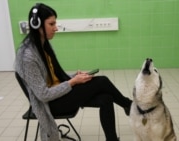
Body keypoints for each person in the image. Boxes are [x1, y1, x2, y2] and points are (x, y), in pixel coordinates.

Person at [15, 3, 132, 141]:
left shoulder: (44, 45)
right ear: (37, 25)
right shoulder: (27, 56)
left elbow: (54, 78)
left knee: (106, 98)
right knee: (103, 81)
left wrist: (74, 77)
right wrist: (72, 82)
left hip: (59, 95)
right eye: (51, 24)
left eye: (55, 23)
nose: (56, 28)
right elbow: (43, 95)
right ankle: (129, 105)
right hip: (50, 104)